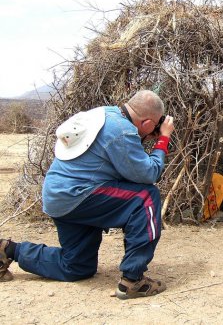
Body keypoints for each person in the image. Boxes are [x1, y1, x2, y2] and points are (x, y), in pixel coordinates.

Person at [0, 90, 175, 300]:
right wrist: (163, 139)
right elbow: (149, 173)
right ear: (147, 124)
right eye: (152, 127)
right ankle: (133, 280)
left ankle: (9, 250)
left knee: (76, 267)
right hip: (79, 195)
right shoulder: (122, 131)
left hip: (59, 197)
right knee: (146, 197)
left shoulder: (104, 115)